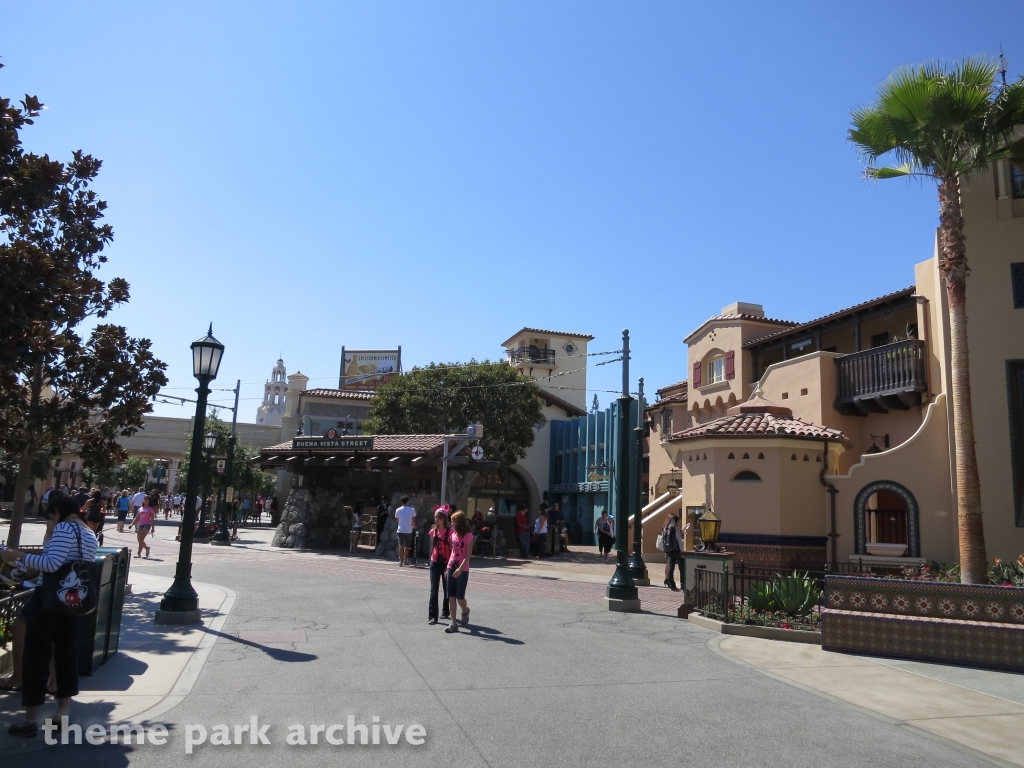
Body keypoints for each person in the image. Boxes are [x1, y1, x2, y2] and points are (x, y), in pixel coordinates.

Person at [1, 494, 99, 737]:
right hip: (72, 599)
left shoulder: (64, 528)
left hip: (49, 600)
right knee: (66, 653)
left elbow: (52, 563)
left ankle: (30, 719)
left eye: (50, 516)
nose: (50, 521)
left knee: (37, 655)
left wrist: (18, 556)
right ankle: (61, 713)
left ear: (57, 512)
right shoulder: (88, 532)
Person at [444, 511, 474, 633]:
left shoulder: (468, 535)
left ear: (459, 522)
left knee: (460, 596)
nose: (451, 523)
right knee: (451, 595)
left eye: (453, 521)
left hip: (463, 568)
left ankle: (465, 610)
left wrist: (460, 568)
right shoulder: (453, 534)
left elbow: (468, 555)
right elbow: (453, 552)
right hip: (452, 566)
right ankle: (453, 622)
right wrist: (448, 567)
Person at [427, 507, 452, 625]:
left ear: (444, 519)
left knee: (447, 588)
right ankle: (432, 616)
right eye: (435, 517)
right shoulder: (433, 531)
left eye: (439, 517)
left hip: (447, 562)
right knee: (434, 589)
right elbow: (432, 546)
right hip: (435, 561)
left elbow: (453, 548)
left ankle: (445, 611)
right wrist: (430, 560)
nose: (436, 519)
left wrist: (452, 564)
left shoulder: (451, 532)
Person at [662, 515, 689, 591]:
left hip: (669, 550)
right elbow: (679, 541)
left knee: (670, 567)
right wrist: (682, 551)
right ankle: (683, 585)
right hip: (676, 550)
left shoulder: (665, 529)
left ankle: (672, 585)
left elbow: (663, 540)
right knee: (682, 568)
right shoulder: (675, 529)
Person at [394, 496, 417, 566]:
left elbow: (397, 520)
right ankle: (405, 559)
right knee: (407, 546)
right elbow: (414, 519)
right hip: (408, 530)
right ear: (407, 501)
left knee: (401, 545)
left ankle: (400, 560)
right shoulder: (412, 509)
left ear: (401, 502)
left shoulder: (398, 510)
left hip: (400, 529)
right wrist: (414, 525)